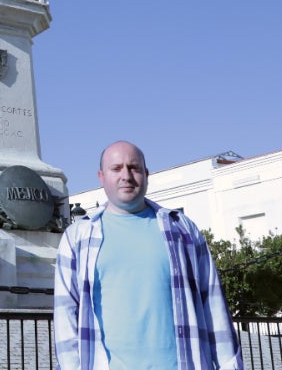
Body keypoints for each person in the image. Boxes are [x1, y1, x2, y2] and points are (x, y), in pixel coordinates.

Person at [53, 141, 243, 369]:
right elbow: (66, 318)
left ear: (146, 174)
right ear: (101, 177)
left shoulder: (183, 230)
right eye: (117, 168)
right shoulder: (76, 238)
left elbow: (213, 304)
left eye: (134, 167)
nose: (126, 175)